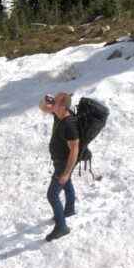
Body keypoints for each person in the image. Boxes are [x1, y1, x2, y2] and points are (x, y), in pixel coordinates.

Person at [39, 92, 80, 242]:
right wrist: (46, 100)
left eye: (56, 102)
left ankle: (62, 227)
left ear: (62, 106)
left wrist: (66, 172)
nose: (53, 104)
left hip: (64, 164)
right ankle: (68, 210)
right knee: (67, 185)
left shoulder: (69, 125)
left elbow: (74, 150)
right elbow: (43, 108)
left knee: (52, 195)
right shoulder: (59, 114)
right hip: (59, 161)